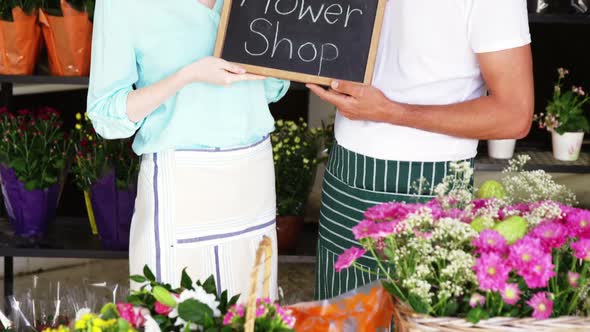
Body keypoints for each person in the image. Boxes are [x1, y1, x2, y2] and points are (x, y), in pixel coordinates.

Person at [308, 0, 534, 300]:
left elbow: (514, 114)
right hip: (344, 173)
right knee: (337, 314)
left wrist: (390, 112)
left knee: (413, 314)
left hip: (428, 182)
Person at [87, 0, 289, 299]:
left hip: (252, 175)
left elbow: (272, 89)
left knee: (254, 311)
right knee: (174, 311)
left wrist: (274, 60)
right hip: (179, 181)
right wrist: (187, 76)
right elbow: (105, 113)